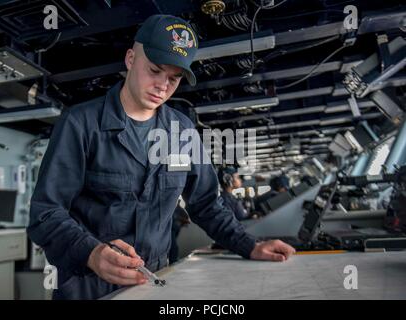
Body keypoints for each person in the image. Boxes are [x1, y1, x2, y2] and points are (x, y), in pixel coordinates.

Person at [27, 14, 295, 300]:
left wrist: (249, 245)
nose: (162, 86)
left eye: (174, 78)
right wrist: (91, 253)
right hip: (87, 285)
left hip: (155, 283)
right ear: (130, 59)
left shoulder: (183, 131)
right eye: (154, 70)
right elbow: (45, 214)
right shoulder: (80, 124)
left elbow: (205, 204)